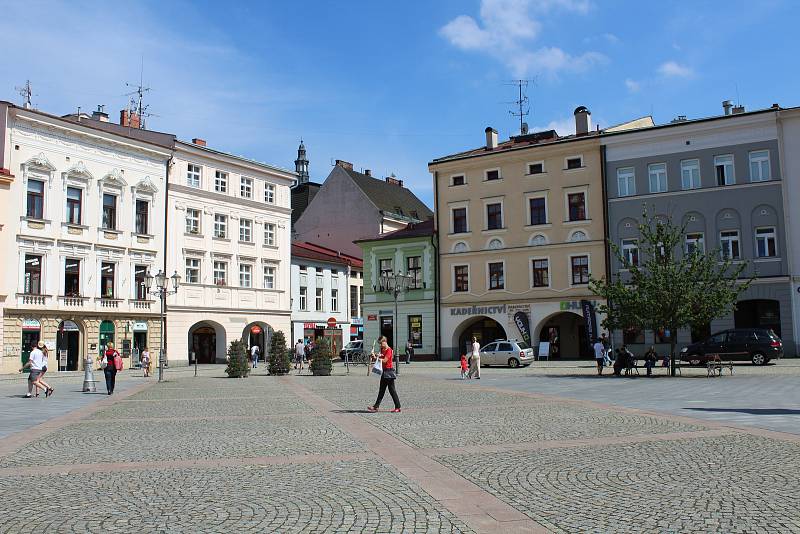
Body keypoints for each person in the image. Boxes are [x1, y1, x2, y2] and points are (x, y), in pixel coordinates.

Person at [367, 336, 401, 413]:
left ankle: (398, 407)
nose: (380, 345)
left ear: (385, 342)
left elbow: (385, 360)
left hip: (389, 373)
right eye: (379, 344)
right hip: (384, 372)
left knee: (392, 390)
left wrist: (376, 358)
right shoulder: (383, 350)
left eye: (381, 343)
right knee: (381, 390)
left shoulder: (389, 350)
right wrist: (374, 355)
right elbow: (381, 357)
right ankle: (376, 407)